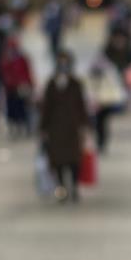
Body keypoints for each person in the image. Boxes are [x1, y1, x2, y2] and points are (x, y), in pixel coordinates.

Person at [40, 50, 89, 202]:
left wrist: (84, 125)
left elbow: (81, 106)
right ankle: (61, 188)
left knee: (74, 160)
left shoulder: (76, 84)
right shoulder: (51, 84)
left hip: (72, 128)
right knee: (58, 161)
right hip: (55, 128)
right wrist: (43, 128)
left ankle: (74, 187)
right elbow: (46, 107)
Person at [87, 56, 125, 154]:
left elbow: (113, 89)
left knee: (101, 124)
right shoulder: (93, 74)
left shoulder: (108, 74)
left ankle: (101, 143)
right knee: (99, 125)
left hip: (105, 104)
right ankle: (100, 143)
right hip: (96, 104)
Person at [0, 37, 35, 138]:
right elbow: (3, 73)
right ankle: (15, 128)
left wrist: (30, 84)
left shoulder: (22, 58)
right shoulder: (5, 60)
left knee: (24, 108)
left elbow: (28, 72)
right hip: (10, 89)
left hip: (22, 88)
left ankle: (26, 127)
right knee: (12, 110)